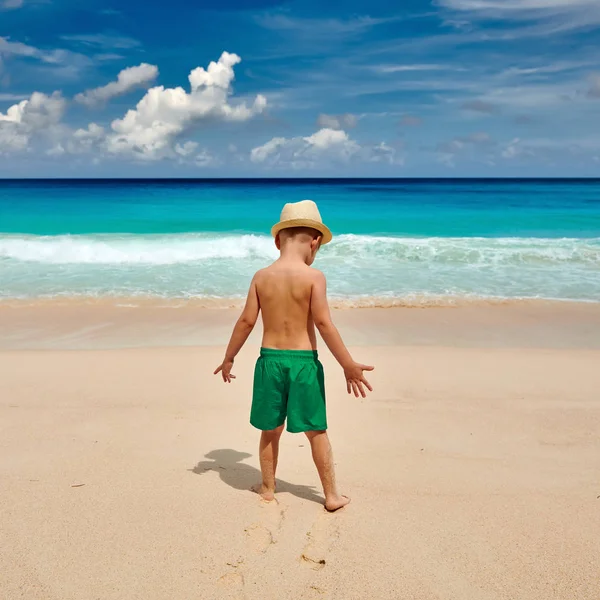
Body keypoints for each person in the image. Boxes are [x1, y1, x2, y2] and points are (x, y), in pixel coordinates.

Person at [214, 200, 374, 512]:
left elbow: (246, 321)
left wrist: (229, 356)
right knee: (317, 431)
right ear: (315, 241)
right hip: (303, 364)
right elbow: (324, 323)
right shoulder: (314, 277)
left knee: (270, 429)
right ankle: (330, 496)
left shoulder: (261, 276)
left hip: (269, 361)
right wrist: (348, 364)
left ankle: (268, 488)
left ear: (277, 240)